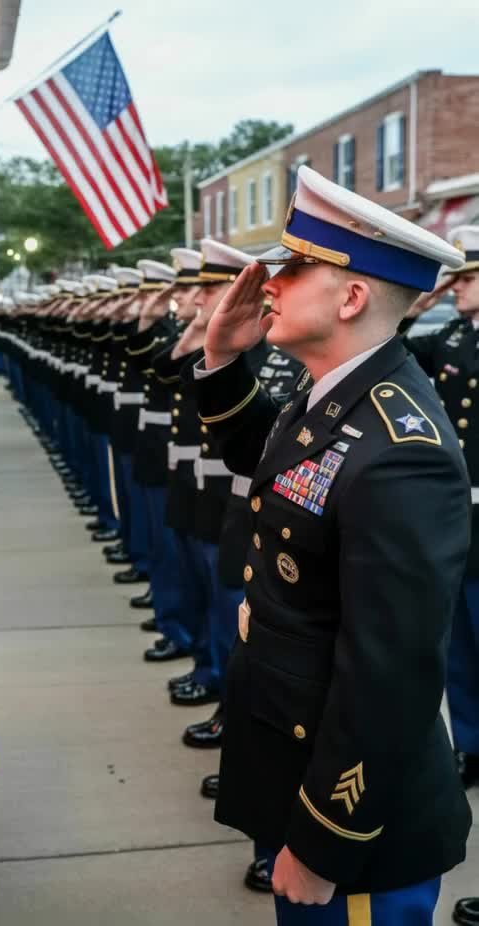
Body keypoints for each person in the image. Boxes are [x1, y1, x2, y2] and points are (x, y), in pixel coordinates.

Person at [196, 165, 472, 923]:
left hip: (358, 826)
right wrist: (222, 359)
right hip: (299, 753)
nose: (270, 284)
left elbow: (390, 675)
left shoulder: (399, 446)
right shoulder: (335, 389)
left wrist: (325, 842)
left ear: (352, 298)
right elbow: (273, 468)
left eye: (294, 267)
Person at [399, 225, 479, 792]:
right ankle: (471, 744)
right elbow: (392, 350)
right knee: (460, 644)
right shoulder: (451, 334)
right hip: (460, 517)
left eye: (468, 278)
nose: (457, 288)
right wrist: (412, 304)